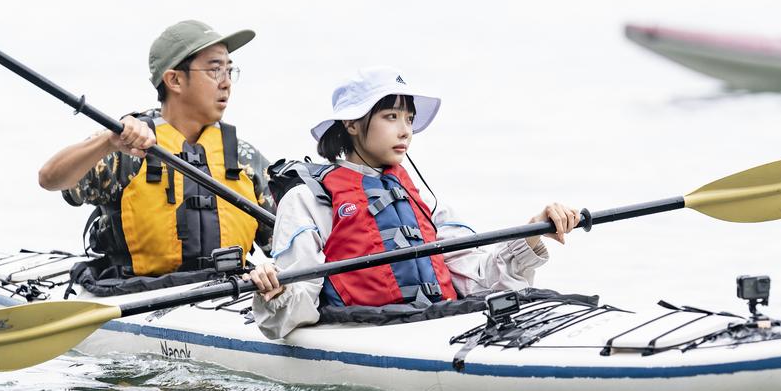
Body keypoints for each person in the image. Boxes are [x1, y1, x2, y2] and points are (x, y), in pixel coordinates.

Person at [247, 66, 581, 339]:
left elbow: (477, 277)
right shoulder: (310, 197)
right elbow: (296, 305)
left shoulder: (420, 195)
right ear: (350, 124)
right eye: (391, 117)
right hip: (364, 331)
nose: (405, 130)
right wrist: (274, 291)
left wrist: (532, 232)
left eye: (408, 119)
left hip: (438, 322)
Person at [37, 20, 275, 277]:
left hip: (225, 296)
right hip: (137, 292)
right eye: (215, 70)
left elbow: (287, 245)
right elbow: (50, 179)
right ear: (174, 80)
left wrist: (268, 272)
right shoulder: (126, 147)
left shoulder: (244, 158)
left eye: (230, 71)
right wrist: (107, 142)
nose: (227, 83)